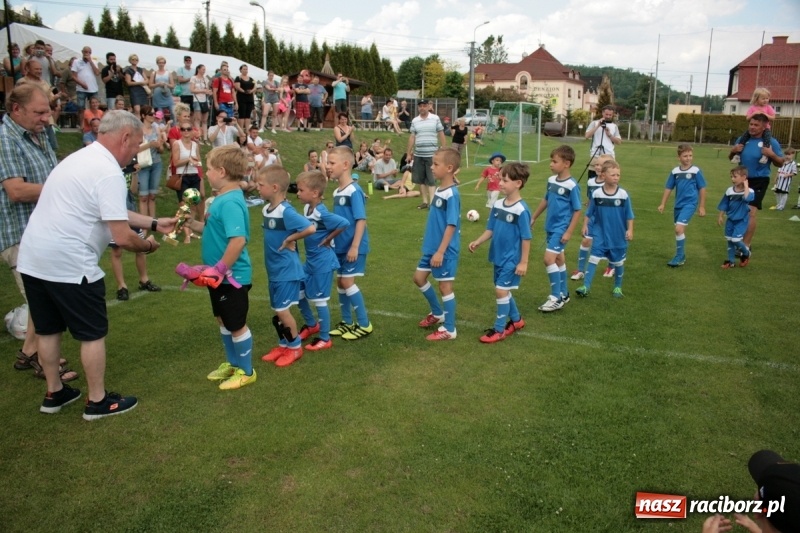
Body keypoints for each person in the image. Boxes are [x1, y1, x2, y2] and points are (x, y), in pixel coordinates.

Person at [17, 110, 176, 419]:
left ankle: (54, 393)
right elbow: (121, 236)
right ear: (125, 137)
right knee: (92, 334)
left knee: (48, 331)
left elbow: (111, 210)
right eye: (137, 143)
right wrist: (148, 245)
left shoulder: (78, 159)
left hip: (34, 259)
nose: (136, 151)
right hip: (70, 264)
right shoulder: (107, 171)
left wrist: (156, 222)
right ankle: (97, 401)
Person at [0, 85, 77, 383]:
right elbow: (16, 190)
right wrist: (63, 191)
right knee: (43, 301)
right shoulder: (6, 139)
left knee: (40, 298)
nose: (47, 118)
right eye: (40, 112)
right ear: (16, 110)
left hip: (43, 231)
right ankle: (46, 364)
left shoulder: (40, 134)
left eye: (48, 111)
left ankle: (29, 351)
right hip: (20, 233)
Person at [183, 145, 256, 389]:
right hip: (216, 276)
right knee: (223, 320)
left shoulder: (231, 202)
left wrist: (220, 268)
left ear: (222, 172)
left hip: (230, 277)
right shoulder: (220, 200)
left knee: (236, 324)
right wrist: (192, 224)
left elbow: (238, 240)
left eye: (210, 169)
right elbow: (215, 231)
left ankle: (246, 371)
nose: (207, 174)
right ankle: (233, 364)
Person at [257, 165, 316, 367]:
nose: (257, 187)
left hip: (286, 270)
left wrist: (292, 238)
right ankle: (283, 344)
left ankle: (295, 348)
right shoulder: (266, 209)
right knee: (277, 310)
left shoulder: (285, 210)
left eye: (260, 185)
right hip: (273, 269)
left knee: (282, 311)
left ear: (274, 187)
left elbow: (310, 227)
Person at [468, 162, 532, 343]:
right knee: (502, 289)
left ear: (518, 183)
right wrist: (478, 241)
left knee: (500, 290)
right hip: (498, 255)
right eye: (500, 179)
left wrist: (524, 262)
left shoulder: (521, 210)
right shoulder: (497, 204)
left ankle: (499, 330)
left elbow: (526, 238)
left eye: (504, 180)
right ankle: (517, 320)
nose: (500, 183)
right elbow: (491, 229)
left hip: (512, 258)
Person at [295, 170, 350, 351]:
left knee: (320, 300)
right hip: (310, 261)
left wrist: (328, 239)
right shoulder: (306, 208)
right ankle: (312, 324)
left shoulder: (321, 212)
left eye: (301, 190)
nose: (298, 193)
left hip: (323, 262)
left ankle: (325, 338)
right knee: (299, 291)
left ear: (315, 193)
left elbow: (343, 223)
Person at [413, 148, 462, 341]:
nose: (432, 167)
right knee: (419, 278)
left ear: (449, 168)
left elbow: (451, 224)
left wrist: (441, 252)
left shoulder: (452, 194)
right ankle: (438, 313)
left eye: (436, 164)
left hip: (444, 250)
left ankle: (449, 329)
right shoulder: (441, 190)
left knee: (445, 287)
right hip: (432, 248)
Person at [326, 147, 373, 340]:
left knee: (347, 281)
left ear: (345, 165)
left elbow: (361, 219)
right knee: (340, 281)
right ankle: (347, 322)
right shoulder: (338, 191)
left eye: (331, 163)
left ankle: (364, 324)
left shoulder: (354, 190)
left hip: (354, 246)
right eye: (327, 163)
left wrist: (355, 246)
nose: (328, 167)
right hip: (340, 245)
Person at [530, 145, 582, 312]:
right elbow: (546, 200)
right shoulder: (551, 181)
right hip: (550, 226)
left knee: (548, 259)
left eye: (554, 161)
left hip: (561, 228)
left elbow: (577, 210)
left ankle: (555, 297)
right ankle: (564, 293)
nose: (550, 164)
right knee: (559, 259)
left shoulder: (572, 185)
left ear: (566, 164)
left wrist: (568, 231)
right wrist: (534, 217)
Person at [575, 159, 634, 298]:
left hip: (618, 234)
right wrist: (585, 225)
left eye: (618, 175)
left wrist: (630, 230)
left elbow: (629, 215)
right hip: (600, 232)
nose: (616, 177)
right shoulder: (597, 194)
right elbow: (589, 212)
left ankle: (618, 287)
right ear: (603, 175)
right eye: (613, 175)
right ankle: (586, 286)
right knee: (594, 257)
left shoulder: (623, 195)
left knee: (618, 261)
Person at [109, 156, 161, 301]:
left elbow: (133, 191)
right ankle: (121, 286)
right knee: (117, 250)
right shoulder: (110, 172)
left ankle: (144, 280)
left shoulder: (128, 172)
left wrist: (134, 173)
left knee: (140, 247)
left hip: (131, 212)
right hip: (115, 214)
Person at [729, 114, 784, 249]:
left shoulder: (771, 142)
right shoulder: (742, 140)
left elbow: (780, 163)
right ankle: (739, 240)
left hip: (759, 180)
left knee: (751, 211)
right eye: (751, 124)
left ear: (764, 126)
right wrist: (732, 151)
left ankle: (746, 245)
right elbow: (731, 158)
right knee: (740, 212)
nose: (752, 127)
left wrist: (771, 154)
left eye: (756, 125)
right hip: (742, 180)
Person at [656, 143, 707, 268]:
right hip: (678, 205)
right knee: (679, 232)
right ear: (679, 157)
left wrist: (701, 206)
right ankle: (681, 256)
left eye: (690, 155)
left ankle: (679, 256)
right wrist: (663, 203)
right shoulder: (675, 172)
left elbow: (702, 188)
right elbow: (668, 188)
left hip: (690, 204)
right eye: (685, 156)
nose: (688, 158)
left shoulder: (696, 171)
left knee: (678, 229)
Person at [571, 155, 614, 280]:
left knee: (608, 243)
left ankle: (611, 267)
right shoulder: (591, 182)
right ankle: (580, 270)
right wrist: (586, 218)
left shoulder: (610, 183)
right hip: (593, 217)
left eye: (601, 165)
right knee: (586, 241)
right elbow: (590, 200)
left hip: (607, 218)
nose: (598, 167)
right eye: (596, 164)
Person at [406, 99, 446, 210]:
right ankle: (425, 202)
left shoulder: (435, 118)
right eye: (420, 106)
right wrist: (408, 153)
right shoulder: (415, 120)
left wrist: (443, 148)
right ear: (418, 108)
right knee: (420, 179)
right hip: (418, 154)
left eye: (424, 105)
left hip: (432, 154)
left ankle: (432, 202)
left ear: (428, 106)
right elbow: (412, 137)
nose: (422, 108)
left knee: (431, 179)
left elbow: (441, 133)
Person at [171, 120, 204, 243]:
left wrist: (196, 162)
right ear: (180, 131)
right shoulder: (177, 144)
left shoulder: (195, 145)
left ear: (192, 131)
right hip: (183, 176)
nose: (186, 131)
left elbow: (199, 162)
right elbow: (176, 162)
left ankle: (190, 229)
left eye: (188, 129)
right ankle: (186, 235)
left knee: (194, 205)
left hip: (194, 175)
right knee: (184, 206)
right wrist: (188, 159)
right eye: (183, 129)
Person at [717, 165, 754, 269]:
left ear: (744, 177)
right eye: (731, 177)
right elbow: (724, 204)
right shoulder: (729, 190)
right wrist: (720, 216)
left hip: (741, 220)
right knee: (729, 240)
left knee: (736, 240)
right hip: (730, 219)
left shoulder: (749, 191)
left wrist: (746, 186)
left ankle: (746, 253)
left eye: (735, 176)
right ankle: (731, 261)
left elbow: (747, 199)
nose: (732, 179)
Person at [731, 88, 777, 165]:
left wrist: (765, 114)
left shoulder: (768, 107)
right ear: (756, 98)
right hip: (753, 130)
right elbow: (747, 118)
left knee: (767, 139)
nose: (765, 100)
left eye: (767, 98)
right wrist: (754, 113)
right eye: (763, 99)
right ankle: (738, 155)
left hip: (766, 128)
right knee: (743, 138)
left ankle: (765, 156)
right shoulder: (753, 108)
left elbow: (773, 117)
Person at [137, 105, 165, 219]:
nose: (153, 116)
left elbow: (162, 150)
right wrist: (149, 145)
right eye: (150, 114)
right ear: (143, 116)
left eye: (154, 113)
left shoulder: (156, 128)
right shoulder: (138, 130)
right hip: (143, 164)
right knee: (143, 196)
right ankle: (144, 223)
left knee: (152, 195)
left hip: (156, 163)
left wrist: (159, 146)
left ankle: (153, 222)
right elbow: (135, 149)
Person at [190, 64, 212, 143]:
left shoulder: (205, 79)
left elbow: (207, 90)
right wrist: (202, 91)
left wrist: (209, 92)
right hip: (196, 100)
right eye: (203, 69)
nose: (204, 70)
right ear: (198, 69)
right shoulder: (193, 78)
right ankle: (198, 136)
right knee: (197, 119)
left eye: (205, 69)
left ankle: (205, 138)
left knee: (205, 120)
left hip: (205, 100)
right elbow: (192, 90)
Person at [149, 56, 175, 121]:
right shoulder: (153, 73)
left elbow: (172, 85)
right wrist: (158, 84)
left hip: (167, 94)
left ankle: (173, 127)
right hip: (157, 96)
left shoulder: (168, 73)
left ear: (164, 63)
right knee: (160, 114)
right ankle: (162, 127)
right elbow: (150, 85)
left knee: (173, 112)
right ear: (157, 63)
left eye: (162, 62)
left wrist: (166, 84)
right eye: (159, 62)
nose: (161, 64)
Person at [234, 64, 256, 131]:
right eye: (244, 69)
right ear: (241, 70)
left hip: (249, 99)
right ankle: (240, 129)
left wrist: (251, 91)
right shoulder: (238, 78)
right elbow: (237, 87)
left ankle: (247, 130)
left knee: (248, 115)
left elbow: (255, 86)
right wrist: (244, 91)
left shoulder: (251, 78)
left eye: (246, 69)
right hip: (241, 98)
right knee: (242, 114)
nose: (246, 70)